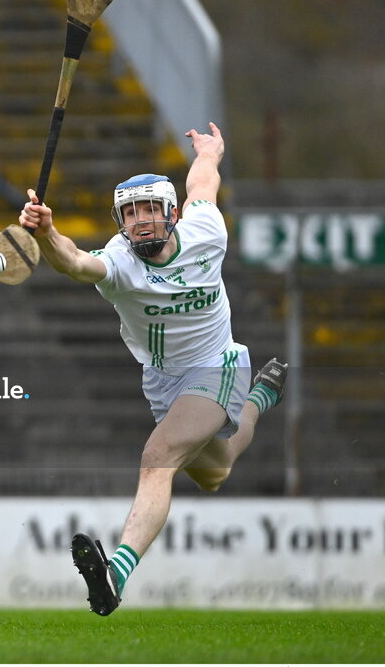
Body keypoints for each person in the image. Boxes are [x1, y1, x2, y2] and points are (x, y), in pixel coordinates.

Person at [18, 122, 288, 616]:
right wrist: (49, 232)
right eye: (129, 212)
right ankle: (259, 401)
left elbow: (202, 181)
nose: (140, 220)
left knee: (158, 456)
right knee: (216, 470)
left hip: (217, 364)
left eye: (149, 209)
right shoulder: (121, 263)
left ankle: (115, 574)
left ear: (171, 214)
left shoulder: (206, 231)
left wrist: (210, 151)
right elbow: (76, 263)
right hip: (163, 381)